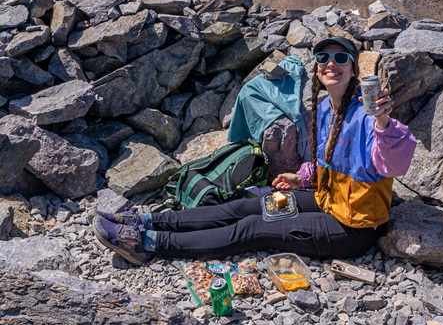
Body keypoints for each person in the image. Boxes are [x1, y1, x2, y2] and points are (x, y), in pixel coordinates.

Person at [92, 36, 417, 265]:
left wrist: (384, 122)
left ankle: (148, 244)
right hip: (324, 201)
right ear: (317, 68)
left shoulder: (366, 116)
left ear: (353, 69)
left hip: (351, 229)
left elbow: (395, 163)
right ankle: (146, 221)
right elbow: (327, 163)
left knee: (254, 228)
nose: (331, 63)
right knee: (246, 206)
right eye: (323, 58)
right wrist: (300, 176)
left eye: (341, 58)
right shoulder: (326, 110)